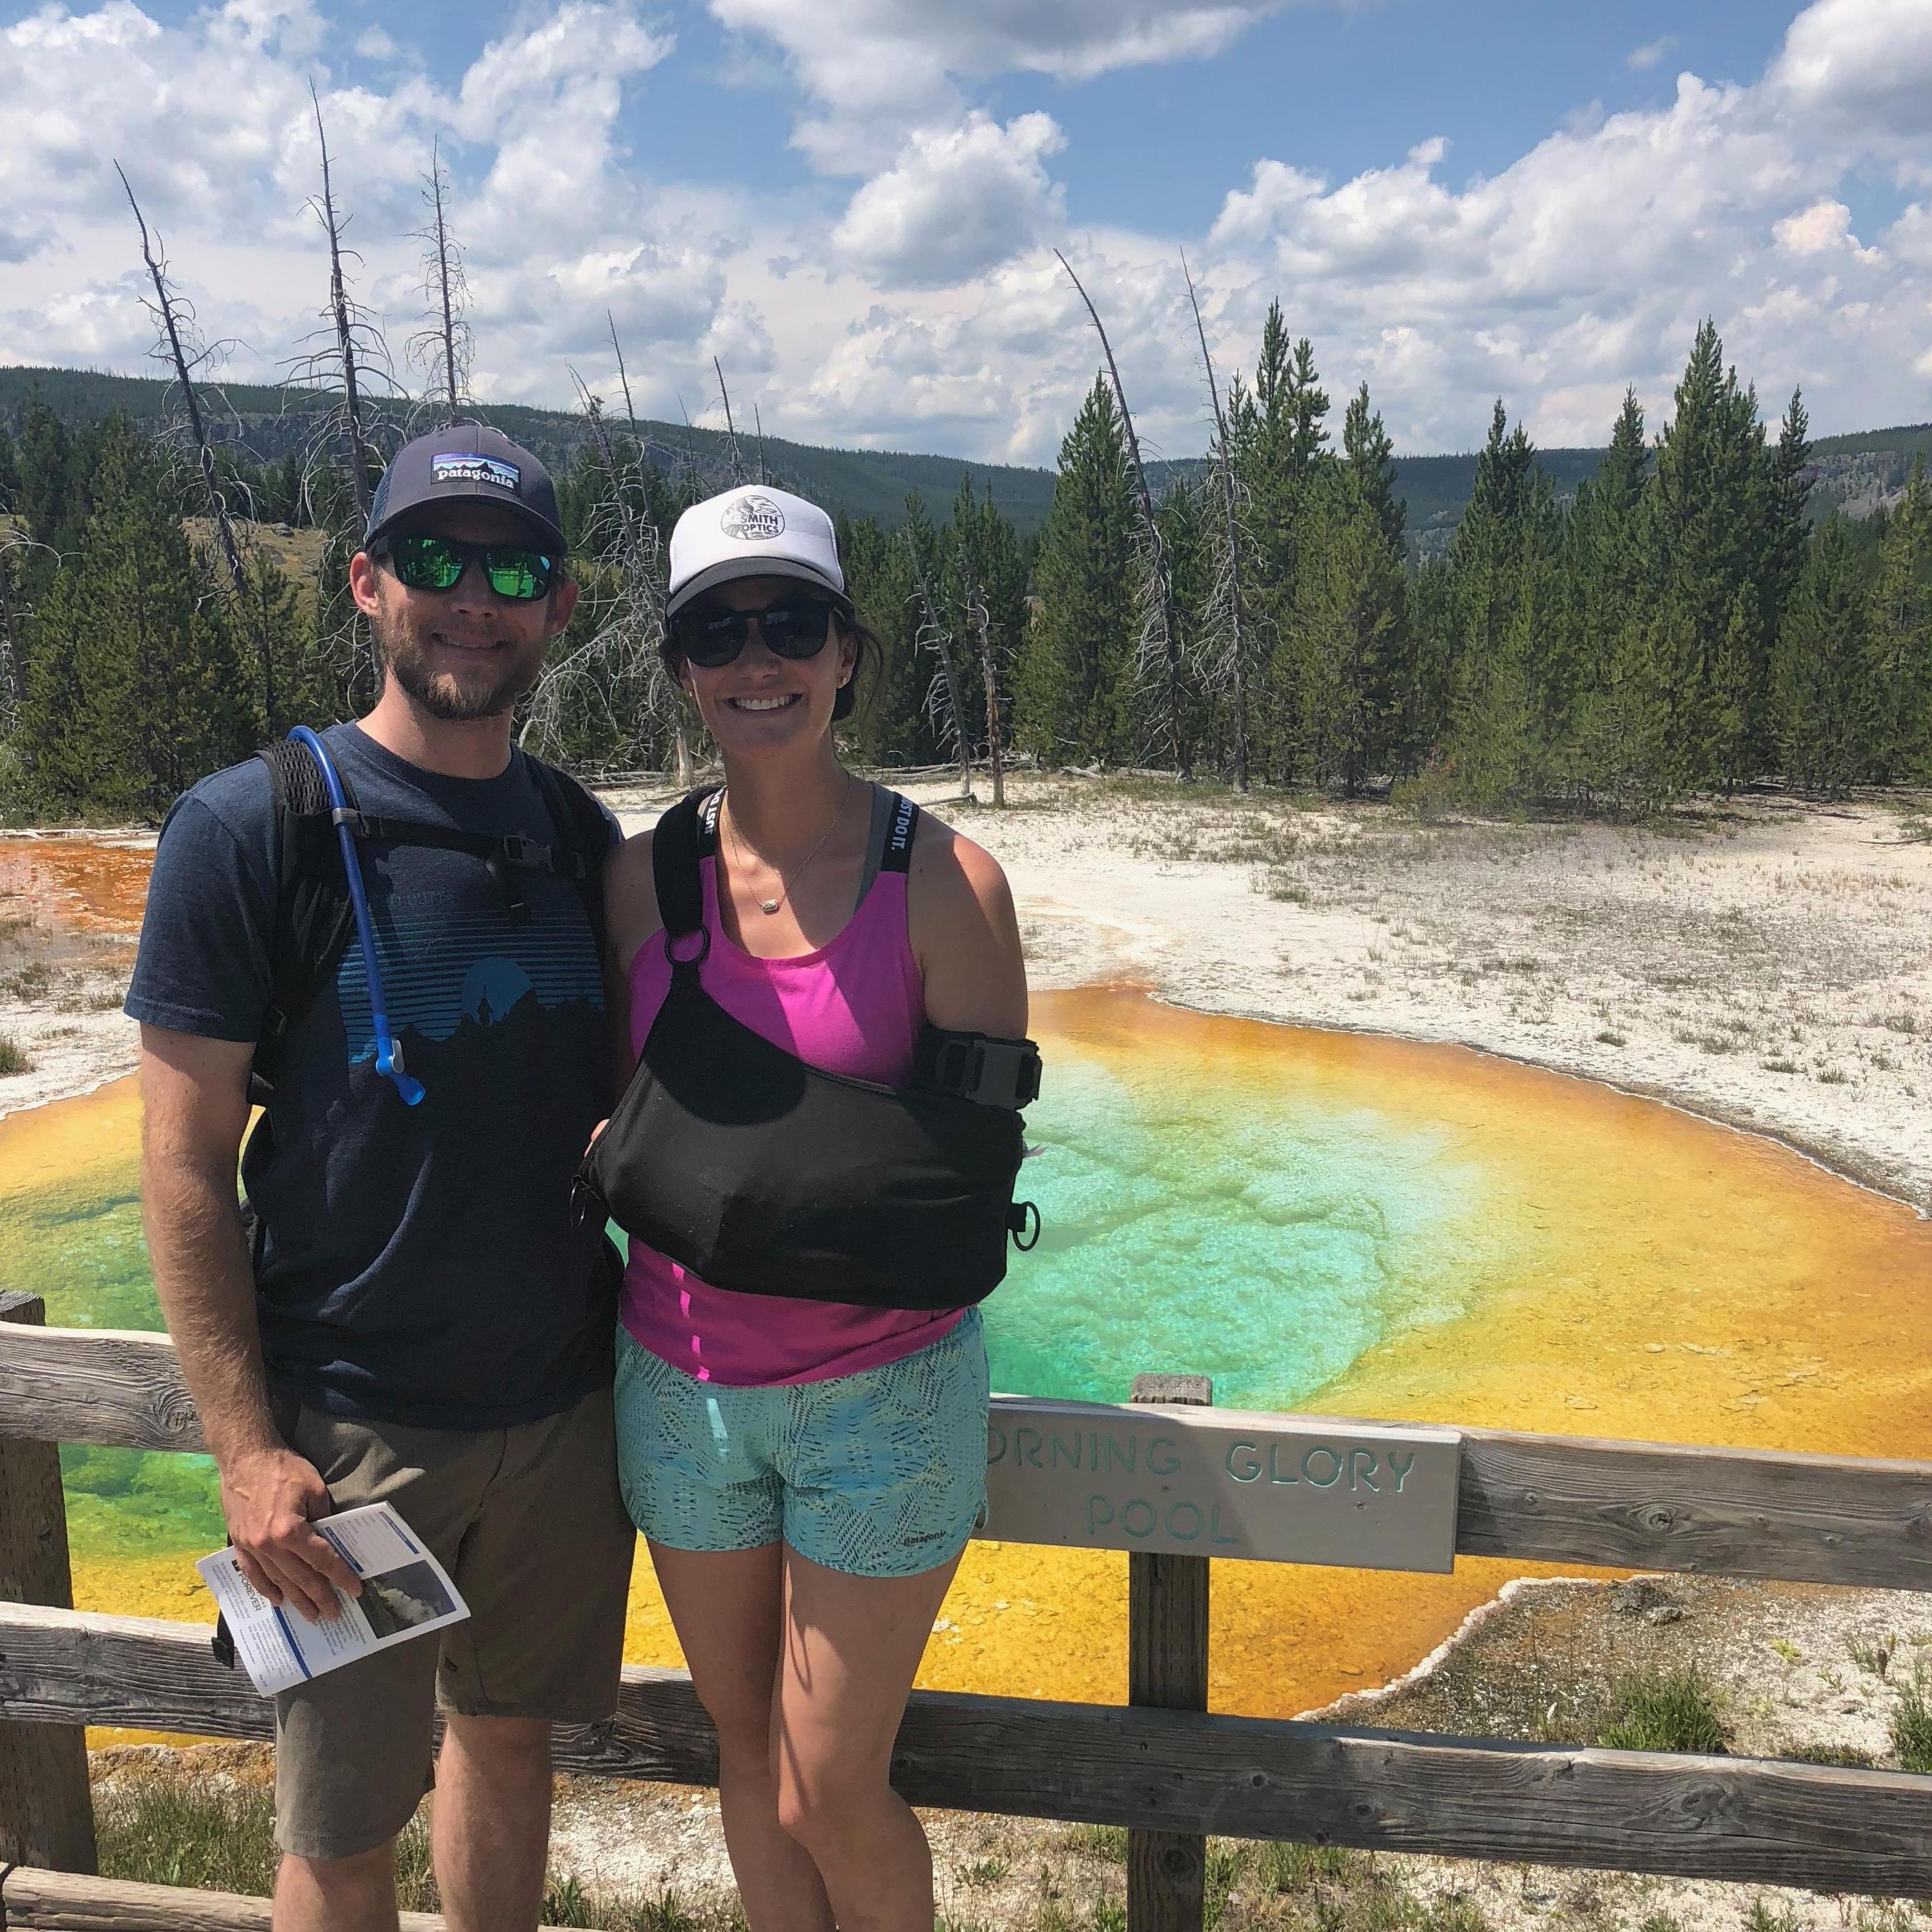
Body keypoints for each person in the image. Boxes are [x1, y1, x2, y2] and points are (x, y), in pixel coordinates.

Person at [127, 427, 635, 1932]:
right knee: (342, 1816)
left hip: (558, 1412)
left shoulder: (572, 833)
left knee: (508, 1741)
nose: (472, 598)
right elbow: (180, 1164)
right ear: (366, 582)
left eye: (515, 569)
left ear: (553, 607)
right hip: (350, 1436)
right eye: (433, 560)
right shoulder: (250, 826)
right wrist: (244, 1448)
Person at [602, 484, 1027, 1932]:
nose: (756, 658)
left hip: (882, 1392)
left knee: (827, 1782)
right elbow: (623, 1121)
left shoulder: (951, 886)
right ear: (680, 668)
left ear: (847, 651)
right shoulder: (638, 881)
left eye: (790, 622)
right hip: (682, 1384)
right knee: (742, 1746)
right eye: (719, 631)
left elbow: (969, 1184)